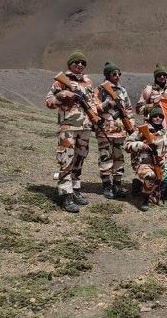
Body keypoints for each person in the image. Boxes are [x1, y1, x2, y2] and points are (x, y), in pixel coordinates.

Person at [44, 51, 96, 213]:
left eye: (83, 63)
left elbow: (92, 102)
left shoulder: (88, 81)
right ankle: (66, 194)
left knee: (80, 159)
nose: (80, 65)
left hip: (85, 127)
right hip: (68, 127)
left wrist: (95, 118)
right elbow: (49, 101)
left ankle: (75, 189)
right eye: (76, 62)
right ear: (70, 64)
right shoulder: (61, 81)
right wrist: (62, 95)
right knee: (66, 159)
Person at [93, 62, 134, 200]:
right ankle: (106, 186)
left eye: (119, 74)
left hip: (120, 130)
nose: (117, 76)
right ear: (107, 75)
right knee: (105, 157)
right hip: (105, 130)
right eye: (114, 74)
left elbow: (128, 109)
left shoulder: (122, 90)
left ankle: (117, 185)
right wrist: (107, 104)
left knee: (119, 158)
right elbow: (93, 107)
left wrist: (130, 124)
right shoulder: (100, 90)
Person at [125, 106, 167, 211]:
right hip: (143, 163)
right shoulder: (142, 130)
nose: (157, 118)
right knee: (150, 176)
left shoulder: (165, 134)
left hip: (158, 164)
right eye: (155, 116)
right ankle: (144, 198)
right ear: (151, 117)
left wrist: (165, 171)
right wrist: (141, 145)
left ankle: (138, 184)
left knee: (156, 200)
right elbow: (127, 145)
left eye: (160, 117)